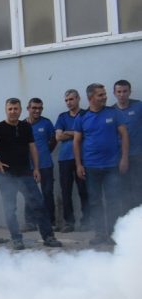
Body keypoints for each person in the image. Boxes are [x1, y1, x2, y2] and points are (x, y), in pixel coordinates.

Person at [0, 98, 63, 250]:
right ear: (6, 110)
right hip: (7, 176)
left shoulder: (26, 126)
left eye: (16, 109)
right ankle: (17, 239)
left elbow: (32, 148)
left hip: (26, 174)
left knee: (39, 205)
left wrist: (36, 168)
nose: (13, 111)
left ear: (21, 110)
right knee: (10, 210)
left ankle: (48, 237)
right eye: (10, 109)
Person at [74, 83, 129, 246]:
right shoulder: (82, 117)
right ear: (91, 98)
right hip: (91, 167)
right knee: (95, 202)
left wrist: (124, 158)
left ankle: (113, 233)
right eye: (101, 95)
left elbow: (124, 135)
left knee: (113, 200)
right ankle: (99, 234)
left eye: (104, 94)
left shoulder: (114, 113)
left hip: (112, 166)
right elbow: (76, 142)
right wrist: (79, 165)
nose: (105, 97)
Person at [54, 89, 88, 232]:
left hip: (83, 158)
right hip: (65, 159)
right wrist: (76, 133)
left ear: (78, 98)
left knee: (84, 190)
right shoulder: (62, 117)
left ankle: (87, 221)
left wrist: (68, 132)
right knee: (66, 191)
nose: (69, 102)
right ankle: (69, 222)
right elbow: (58, 137)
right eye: (66, 100)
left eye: (71, 99)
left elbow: (87, 133)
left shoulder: (86, 114)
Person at [23, 98, 57, 231]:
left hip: (45, 165)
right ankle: (30, 223)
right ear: (28, 108)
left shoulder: (47, 123)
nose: (37, 110)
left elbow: (53, 140)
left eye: (40, 108)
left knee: (47, 193)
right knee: (29, 194)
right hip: (28, 166)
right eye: (34, 108)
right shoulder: (22, 125)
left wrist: (46, 152)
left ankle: (50, 221)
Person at [112, 79, 142, 210]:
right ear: (114, 93)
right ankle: (128, 222)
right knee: (123, 190)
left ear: (130, 92)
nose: (122, 94)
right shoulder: (111, 111)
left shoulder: (139, 106)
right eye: (119, 91)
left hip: (138, 155)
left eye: (125, 91)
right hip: (120, 158)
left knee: (138, 188)